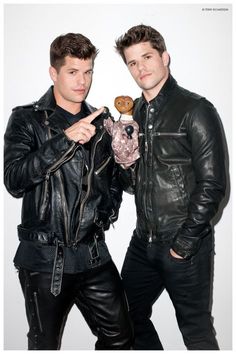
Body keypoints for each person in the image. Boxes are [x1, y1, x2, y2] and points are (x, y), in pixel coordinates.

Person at [4, 32, 133, 350]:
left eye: (88, 71)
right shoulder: (26, 120)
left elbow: (122, 184)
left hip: (93, 255)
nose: (82, 81)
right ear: (54, 72)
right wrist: (65, 140)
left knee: (123, 339)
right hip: (46, 259)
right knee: (44, 345)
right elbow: (14, 181)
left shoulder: (104, 124)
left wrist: (128, 157)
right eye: (73, 72)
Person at [114, 24, 227, 350]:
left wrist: (184, 243)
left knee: (197, 332)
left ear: (165, 57)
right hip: (142, 243)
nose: (140, 68)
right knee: (123, 317)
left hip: (184, 247)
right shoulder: (131, 113)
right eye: (132, 62)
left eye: (147, 57)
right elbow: (131, 186)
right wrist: (125, 162)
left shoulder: (196, 109)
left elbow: (213, 185)